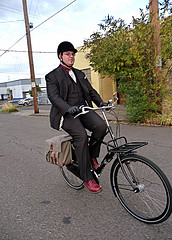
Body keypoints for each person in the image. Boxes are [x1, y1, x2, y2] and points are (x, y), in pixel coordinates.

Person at [45, 41, 108, 193]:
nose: (71, 57)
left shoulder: (79, 73)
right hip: (65, 113)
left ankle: (92, 156)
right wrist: (68, 108)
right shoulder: (52, 76)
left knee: (101, 126)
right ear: (60, 56)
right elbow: (54, 97)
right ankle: (87, 178)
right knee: (81, 136)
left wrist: (101, 102)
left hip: (83, 109)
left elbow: (91, 91)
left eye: (72, 54)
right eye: (67, 54)